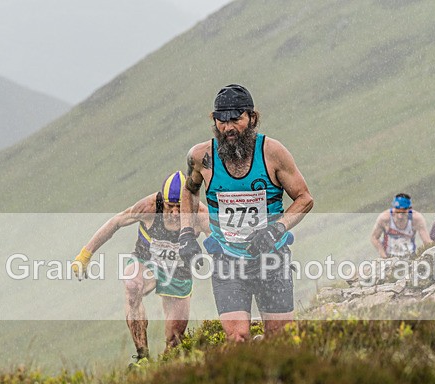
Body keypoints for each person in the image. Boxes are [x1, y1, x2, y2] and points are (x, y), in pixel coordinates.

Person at [179, 84, 314, 343]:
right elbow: (190, 191)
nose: (228, 128)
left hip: (271, 259)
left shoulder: (273, 152)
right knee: (237, 337)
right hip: (227, 260)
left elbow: (304, 199)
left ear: (252, 118)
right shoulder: (201, 156)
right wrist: (187, 233)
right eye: (221, 120)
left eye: (236, 119)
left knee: (280, 339)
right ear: (214, 121)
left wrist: (276, 228)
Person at [72, 171, 209, 367]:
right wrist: (85, 255)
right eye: (171, 207)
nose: (176, 213)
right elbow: (116, 222)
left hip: (179, 272)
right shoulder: (150, 207)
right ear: (162, 201)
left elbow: (219, 240)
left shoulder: (200, 214)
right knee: (132, 285)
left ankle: (164, 370)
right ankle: (142, 356)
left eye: (181, 208)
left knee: (175, 340)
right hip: (146, 261)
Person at [370, 193, 431, 258]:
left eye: (403, 211)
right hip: (389, 258)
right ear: (393, 207)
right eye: (398, 211)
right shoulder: (385, 218)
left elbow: (427, 241)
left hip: (410, 258)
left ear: (409, 209)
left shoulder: (416, 219)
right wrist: (384, 256)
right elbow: (374, 237)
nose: (400, 216)